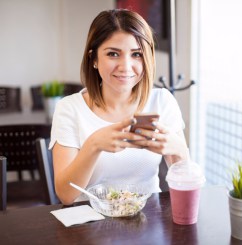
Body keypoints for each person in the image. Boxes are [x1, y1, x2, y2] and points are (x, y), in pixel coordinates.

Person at [50, 9, 189, 205]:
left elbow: (185, 182)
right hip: (90, 223)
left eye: (136, 54)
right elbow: (65, 195)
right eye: (113, 54)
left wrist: (181, 153)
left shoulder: (162, 101)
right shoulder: (69, 108)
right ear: (94, 59)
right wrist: (94, 145)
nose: (125, 66)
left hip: (149, 219)